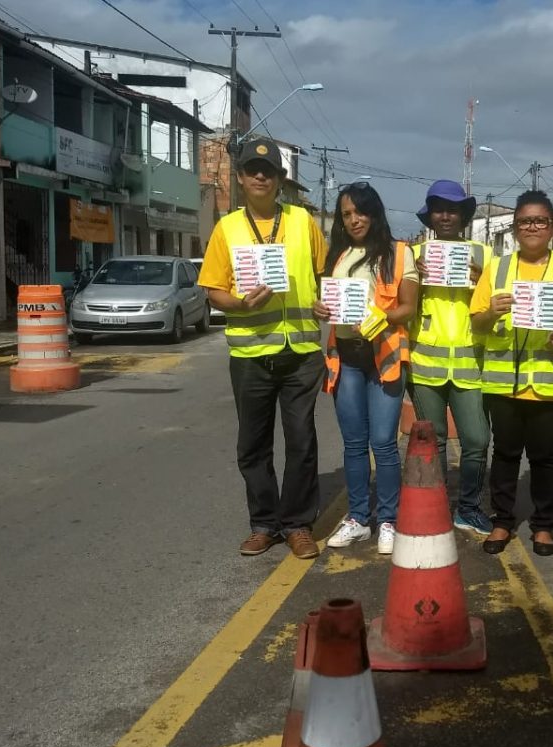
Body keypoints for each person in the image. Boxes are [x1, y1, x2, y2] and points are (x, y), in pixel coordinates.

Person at [198, 137, 327, 560]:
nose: (260, 176)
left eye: (268, 171)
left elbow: (325, 275)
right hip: (251, 354)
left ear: (279, 179)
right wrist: (239, 304)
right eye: (252, 170)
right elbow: (214, 290)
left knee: (302, 442)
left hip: (302, 351)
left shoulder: (303, 221)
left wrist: (327, 302)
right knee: (253, 445)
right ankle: (264, 524)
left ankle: (298, 525)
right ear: (240, 177)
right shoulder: (227, 228)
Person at [470, 190, 553, 557]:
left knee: (544, 455)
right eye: (525, 221)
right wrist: (491, 312)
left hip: (548, 382)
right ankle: (502, 520)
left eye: (540, 221)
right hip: (502, 382)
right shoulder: (497, 268)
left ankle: (543, 525)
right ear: (515, 228)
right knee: (505, 454)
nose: (533, 227)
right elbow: (477, 323)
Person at [317, 182, 419, 555]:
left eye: (360, 211)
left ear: (374, 213)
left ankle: (388, 519)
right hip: (346, 357)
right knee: (354, 443)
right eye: (346, 214)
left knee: (383, 443)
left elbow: (408, 308)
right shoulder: (337, 255)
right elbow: (327, 302)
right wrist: (319, 308)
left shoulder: (399, 253)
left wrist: (380, 318)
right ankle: (359, 518)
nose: (354, 219)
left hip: (384, 357)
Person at [410, 180, 494, 537]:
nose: (445, 216)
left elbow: (498, 303)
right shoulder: (415, 254)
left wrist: (481, 280)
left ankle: (469, 508)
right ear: (430, 216)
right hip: (425, 363)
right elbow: (399, 302)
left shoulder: (485, 256)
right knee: (435, 440)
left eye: (452, 210)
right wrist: (413, 277)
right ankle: (438, 507)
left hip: (470, 364)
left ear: (463, 216)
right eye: (438, 209)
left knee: (476, 440)